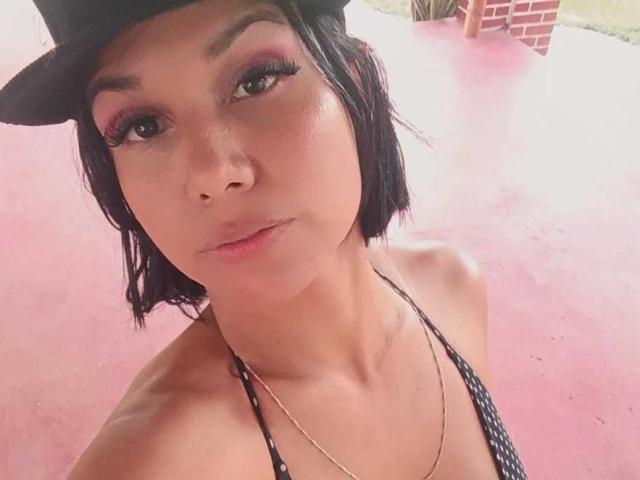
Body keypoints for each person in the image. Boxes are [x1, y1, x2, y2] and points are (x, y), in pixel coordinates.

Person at [0, 0, 527, 478]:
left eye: (256, 81)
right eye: (143, 127)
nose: (213, 174)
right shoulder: (154, 465)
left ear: (354, 81)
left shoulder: (452, 291)